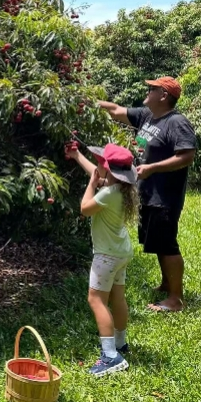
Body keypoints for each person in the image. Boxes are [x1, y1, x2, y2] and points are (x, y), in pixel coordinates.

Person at [98, 76, 197, 313]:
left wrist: (152, 168)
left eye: (151, 88)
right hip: (148, 193)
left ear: (164, 95)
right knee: (157, 241)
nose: (147, 90)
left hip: (165, 195)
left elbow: (187, 155)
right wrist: (89, 102)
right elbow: (115, 110)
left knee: (167, 243)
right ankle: (166, 283)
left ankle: (175, 299)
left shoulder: (176, 122)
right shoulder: (146, 116)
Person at [66, 142, 139, 377]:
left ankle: (110, 356)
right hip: (121, 252)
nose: (99, 167)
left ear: (110, 171)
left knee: (96, 299)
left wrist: (90, 184)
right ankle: (120, 343)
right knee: (117, 297)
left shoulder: (108, 193)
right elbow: (97, 174)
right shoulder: (122, 188)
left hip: (106, 256)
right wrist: (77, 156)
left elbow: (85, 208)